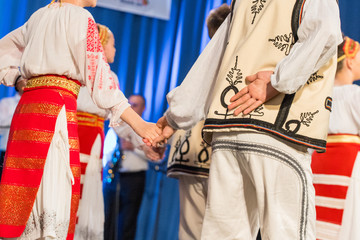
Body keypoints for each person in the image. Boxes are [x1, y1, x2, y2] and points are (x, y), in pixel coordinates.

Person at [151, 0, 342, 239]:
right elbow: (324, 34)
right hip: (278, 130)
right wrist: (275, 83)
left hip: (228, 128)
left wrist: (175, 116)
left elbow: (214, 58)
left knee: (225, 231)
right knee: (287, 229)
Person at [0, 0, 160, 239]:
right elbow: (101, 81)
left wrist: (19, 79)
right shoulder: (81, 17)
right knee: (52, 190)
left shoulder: (39, 16)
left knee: (27, 189)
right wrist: (141, 124)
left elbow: (3, 50)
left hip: (28, 112)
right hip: (55, 112)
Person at [166, 4, 230, 240]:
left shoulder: (203, 61)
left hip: (190, 150)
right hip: (218, 152)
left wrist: (165, 130)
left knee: (191, 228)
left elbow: (184, 99)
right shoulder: (238, 61)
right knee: (224, 228)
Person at [311, 36, 360, 240]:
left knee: (318, 224)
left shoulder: (318, 96)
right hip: (346, 169)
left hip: (318, 165)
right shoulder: (354, 95)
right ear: (349, 61)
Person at [74, 23, 116, 240]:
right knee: (74, 183)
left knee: (87, 185)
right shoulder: (79, 73)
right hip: (77, 134)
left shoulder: (110, 78)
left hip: (94, 138)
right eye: (112, 45)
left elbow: (120, 118)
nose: (115, 50)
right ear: (101, 45)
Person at [104, 94, 160, 240]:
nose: (132, 107)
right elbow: (106, 150)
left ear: (143, 108)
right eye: (130, 104)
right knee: (109, 216)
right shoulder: (116, 126)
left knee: (128, 220)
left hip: (134, 179)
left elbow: (157, 157)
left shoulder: (148, 129)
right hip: (114, 176)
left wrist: (134, 147)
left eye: (136, 105)